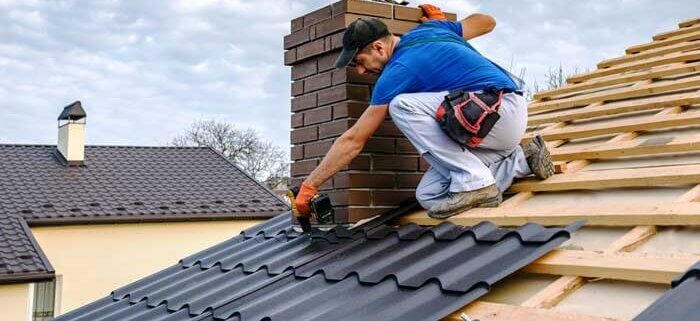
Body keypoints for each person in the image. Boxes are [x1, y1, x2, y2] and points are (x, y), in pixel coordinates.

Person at [294, 4, 554, 219]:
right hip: (491, 128)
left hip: (498, 111)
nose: (361, 72)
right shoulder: (432, 29)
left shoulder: (398, 71)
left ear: (379, 48)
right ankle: (522, 159)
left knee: (402, 105)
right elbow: (487, 21)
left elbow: (353, 140)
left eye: (359, 62)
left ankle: (476, 182)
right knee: (429, 196)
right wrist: (446, 28)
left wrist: (310, 185)